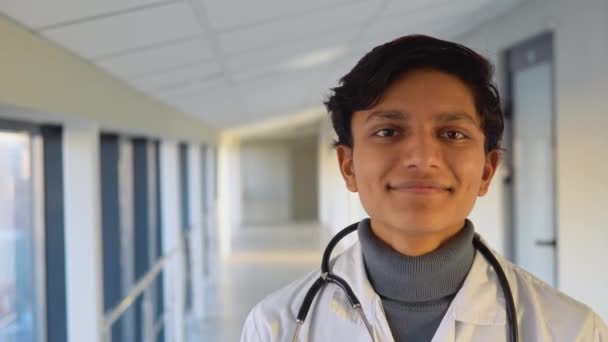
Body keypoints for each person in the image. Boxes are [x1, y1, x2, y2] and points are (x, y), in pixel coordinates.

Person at [240, 34, 608, 341]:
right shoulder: (277, 326)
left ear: (487, 170)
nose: (422, 157)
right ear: (347, 166)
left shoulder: (571, 329)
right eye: (388, 132)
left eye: (452, 134)